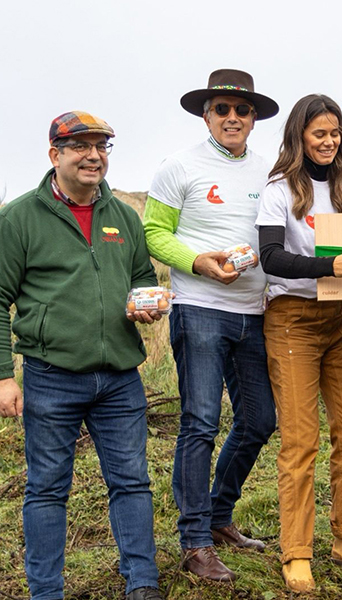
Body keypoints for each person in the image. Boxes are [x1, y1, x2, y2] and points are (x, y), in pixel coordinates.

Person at [0, 111, 164, 600]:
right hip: (52, 377)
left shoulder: (123, 217)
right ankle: (45, 591)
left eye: (102, 147)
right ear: (55, 155)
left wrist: (146, 304)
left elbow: (144, 279)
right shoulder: (20, 217)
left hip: (119, 378)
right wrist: (3, 376)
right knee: (47, 488)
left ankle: (142, 582)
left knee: (132, 481)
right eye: (81, 147)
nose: (94, 156)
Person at [143, 69, 280, 582]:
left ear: (254, 119)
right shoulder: (178, 167)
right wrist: (199, 261)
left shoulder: (269, 171)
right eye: (221, 109)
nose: (232, 118)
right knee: (200, 421)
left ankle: (220, 516)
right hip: (198, 307)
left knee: (259, 420)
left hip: (255, 311)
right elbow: (154, 231)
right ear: (206, 115)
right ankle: (195, 541)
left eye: (241, 110)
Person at [256, 93, 342, 593]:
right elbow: (270, 257)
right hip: (291, 321)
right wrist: (328, 265)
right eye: (318, 134)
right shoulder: (279, 189)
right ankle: (296, 552)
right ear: (299, 136)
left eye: (335, 133)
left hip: (340, 319)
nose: (328, 142)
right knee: (300, 441)